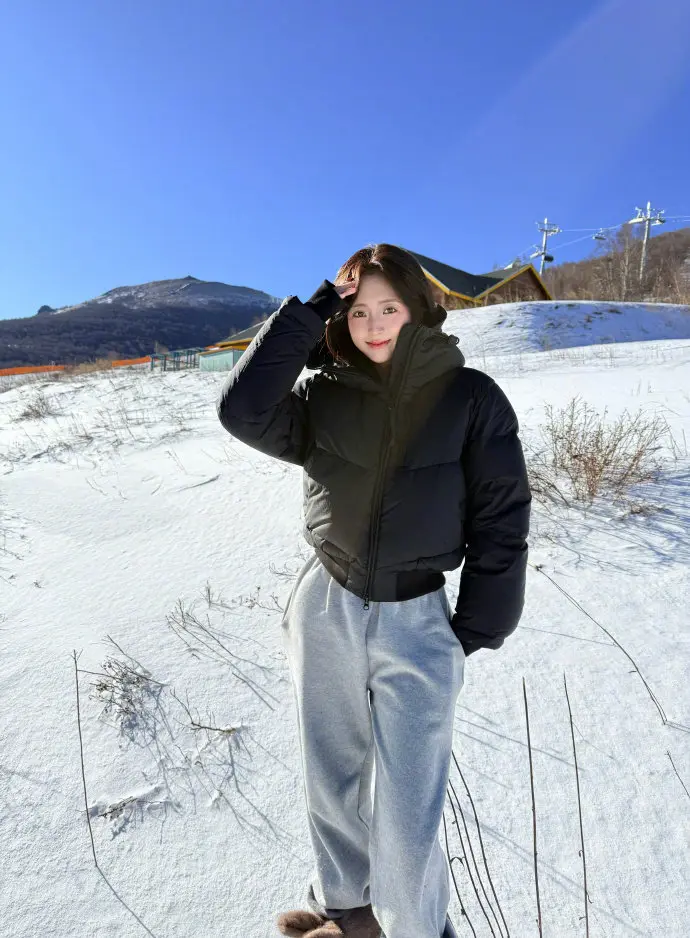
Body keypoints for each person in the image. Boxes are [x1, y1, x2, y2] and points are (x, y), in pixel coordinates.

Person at [216, 244, 531, 938]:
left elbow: (502, 514)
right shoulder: (322, 394)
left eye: (389, 308)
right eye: (359, 311)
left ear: (418, 309)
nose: (375, 324)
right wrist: (311, 314)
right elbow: (241, 409)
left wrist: (478, 622)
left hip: (418, 615)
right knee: (330, 775)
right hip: (326, 603)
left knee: (411, 807)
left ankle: (417, 928)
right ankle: (346, 913)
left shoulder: (471, 396)